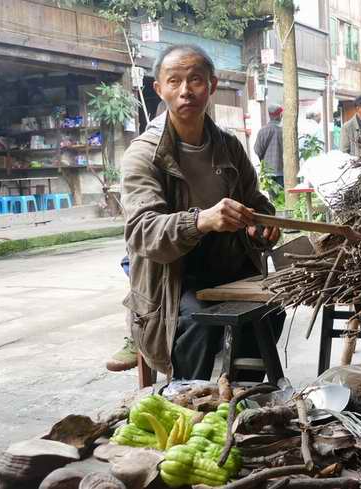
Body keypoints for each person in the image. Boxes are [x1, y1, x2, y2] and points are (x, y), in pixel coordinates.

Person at [121, 44, 284, 381]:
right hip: (173, 278)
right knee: (198, 321)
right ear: (159, 89)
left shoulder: (228, 146)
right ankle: (188, 400)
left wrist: (261, 224)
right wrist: (201, 220)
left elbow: (255, 200)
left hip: (227, 267)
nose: (185, 91)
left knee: (271, 309)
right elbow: (143, 231)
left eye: (195, 80)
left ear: (212, 85)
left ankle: (240, 396)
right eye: (174, 81)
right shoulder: (143, 155)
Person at [254, 104, 284, 191]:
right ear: (279, 115)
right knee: (282, 199)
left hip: (267, 172)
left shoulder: (262, 131)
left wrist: (264, 159)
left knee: (272, 199)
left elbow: (257, 150)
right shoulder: (283, 130)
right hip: (282, 171)